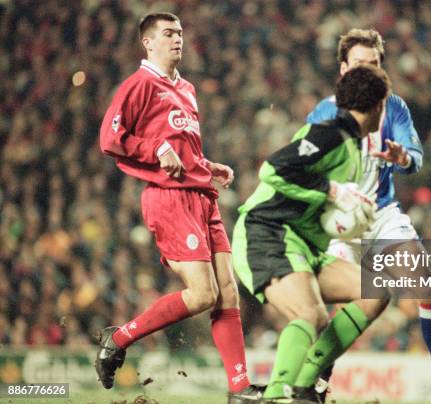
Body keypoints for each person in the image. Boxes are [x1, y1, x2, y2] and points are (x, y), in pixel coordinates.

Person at [307, 28, 431, 404]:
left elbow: (415, 156)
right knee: (346, 301)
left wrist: (402, 158)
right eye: (359, 64)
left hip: (381, 215)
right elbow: (304, 166)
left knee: (429, 287)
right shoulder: (326, 111)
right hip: (338, 222)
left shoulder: (396, 107)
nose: (367, 73)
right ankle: (314, 385)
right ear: (343, 68)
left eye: (373, 65)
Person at [97, 12, 259, 403]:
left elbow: (179, 145)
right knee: (203, 295)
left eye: (180, 33)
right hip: (169, 199)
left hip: (202, 195)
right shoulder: (139, 85)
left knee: (228, 293)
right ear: (147, 42)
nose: (177, 40)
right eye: (168, 33)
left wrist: (206, 165)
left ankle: (240, 389)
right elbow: (110, 138)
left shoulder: (185, 88)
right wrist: (156, 149)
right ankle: (117, 338)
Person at [232, 65, 392, 403]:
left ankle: (305, 388)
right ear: (378, 105)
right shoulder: (330, 133)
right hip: (268, 232)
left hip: (303, 244)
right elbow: (273, 168)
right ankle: (277, 395)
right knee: (310, 315)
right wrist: (333, 192)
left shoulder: (353, 145)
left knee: (374, 292)